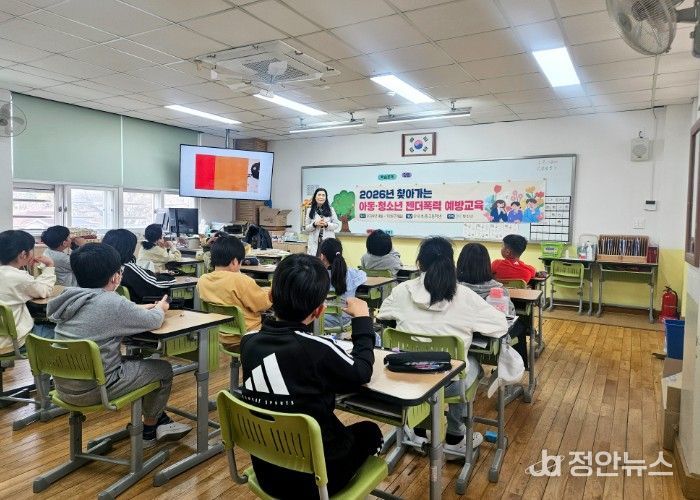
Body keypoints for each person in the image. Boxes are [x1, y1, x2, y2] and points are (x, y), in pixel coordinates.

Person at [239, 254, 380, 499]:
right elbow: (361, 371)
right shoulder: (318, 350)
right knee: (370, 431)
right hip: (316, 480)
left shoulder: (248, 342)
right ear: (319, 310)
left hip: (267, 472)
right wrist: (362, 320)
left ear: (270, 296)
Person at [47, 243, 191, 448]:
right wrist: (160, 308)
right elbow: (153, 321)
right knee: (163, 369)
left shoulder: (69, 298)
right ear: (115, 276)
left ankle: (159, 420)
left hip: (65, 386)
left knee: (138, 361)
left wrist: (137, 309)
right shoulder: (112, 302)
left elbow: (105, 315)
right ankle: (150, 429)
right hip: (97, 389)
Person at [377, 237, 508, 457]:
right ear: (451, 263)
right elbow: (500, 325)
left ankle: (418, 432)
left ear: (419, 263)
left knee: (423, 364)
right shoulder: (465, 296)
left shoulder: (402, 291)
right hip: (449, 385)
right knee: (470, 363)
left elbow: (383, 314)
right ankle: (455, 438)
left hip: (406, 378)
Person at [457, 242, 529, 369]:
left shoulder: (453, 288)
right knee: (521, 325)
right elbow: (509, 317)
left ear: (460, 262)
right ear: (486, 264)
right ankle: (520, 367)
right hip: (489, 337)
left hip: (460, 335)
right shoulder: (498, 289)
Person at [197, 237, 272, 341]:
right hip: (248, 338)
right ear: (235, 261)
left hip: (218, 336)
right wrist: (270, 291)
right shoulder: (241, 281)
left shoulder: (203, 281)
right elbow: (263, 304)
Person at [0, 230, 56, 354]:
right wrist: (50, 266)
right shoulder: (18, 278)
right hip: (12, 344)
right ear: (23, 254)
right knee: (56, 330)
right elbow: (43, 290)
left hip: (4, 340)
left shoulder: (16, 276)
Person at [102, 229, 176, 303]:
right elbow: (156, 283)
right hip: (141, 305)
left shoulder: (106, 267)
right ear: (127, 249)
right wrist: (170, 277)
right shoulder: (128, 269)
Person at [319, 238, 366, 329]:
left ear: (322, 256)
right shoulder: (352, 274)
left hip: (321, 318)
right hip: (344, 318)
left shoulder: (317, 275)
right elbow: (364, 275)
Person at [302, 188, 340, 256]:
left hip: (327, 241)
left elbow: (336, 225)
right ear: (315, 197)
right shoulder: (310, 210)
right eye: (319, 195)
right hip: (314, 242)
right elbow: (306, 228)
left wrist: (326, 224)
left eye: (323, 195)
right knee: (314, 260)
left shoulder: (331, 209)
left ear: (326, 198)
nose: (321, 197)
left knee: (327, 260)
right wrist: (314, 224)